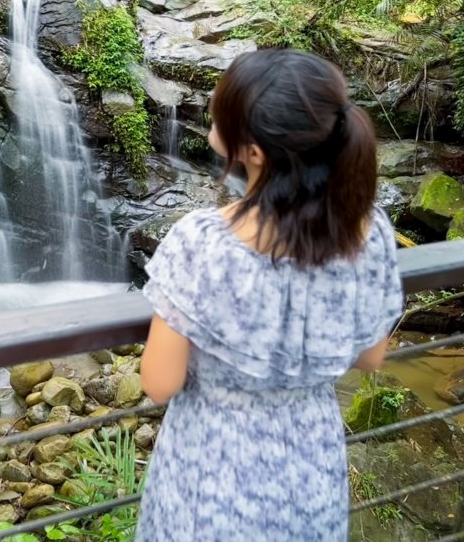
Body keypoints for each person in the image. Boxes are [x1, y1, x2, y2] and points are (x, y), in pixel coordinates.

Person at [135, 48, 403, 541]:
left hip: (210, 477)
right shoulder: (369, 233)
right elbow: (371, 354)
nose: (212, 107)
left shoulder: (201, 243)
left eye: (222, 106)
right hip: (311, 469)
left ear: (254, 152)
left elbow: (160, 382)